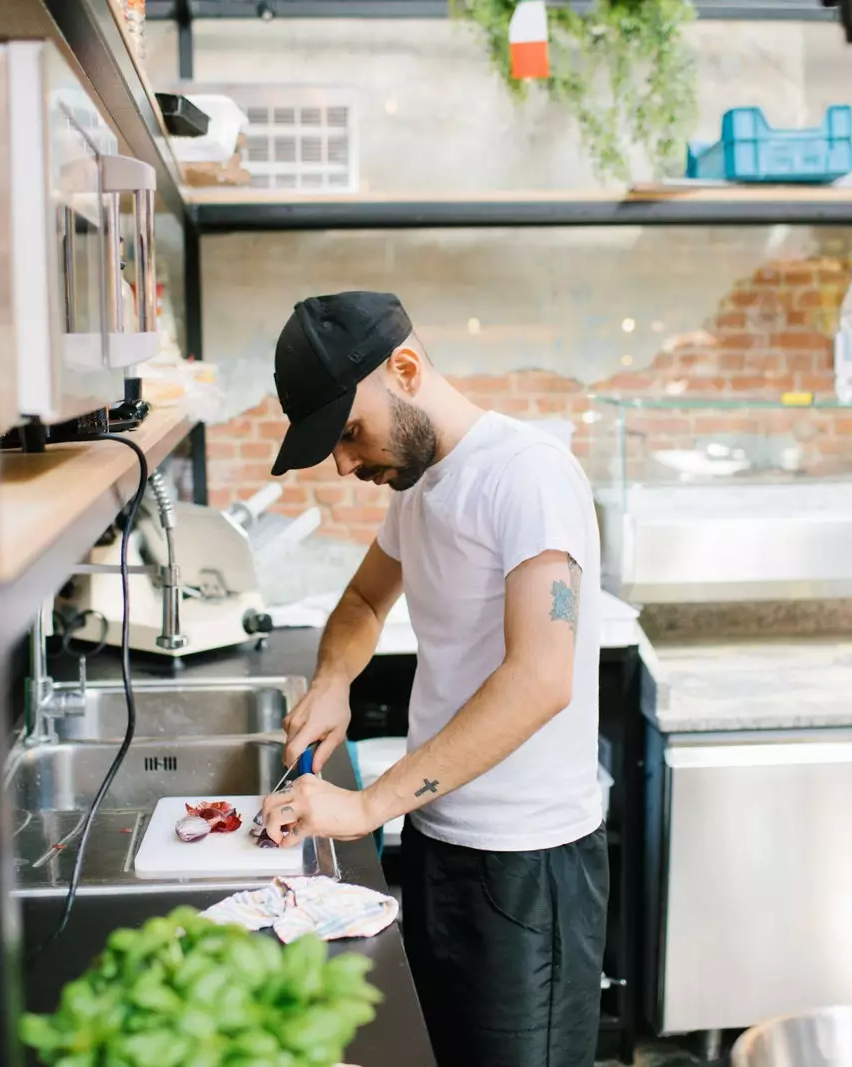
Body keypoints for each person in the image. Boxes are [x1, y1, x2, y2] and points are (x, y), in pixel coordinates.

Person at [256, 291, 607, 1067]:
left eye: (349, 433)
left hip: (526, 867)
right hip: (439, 841)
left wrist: (367, 805)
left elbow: (541, 679)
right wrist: (332, 681)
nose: (346, 464)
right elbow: (361, 600)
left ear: (405, 369)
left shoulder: (527, 476)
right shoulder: (421, 490)